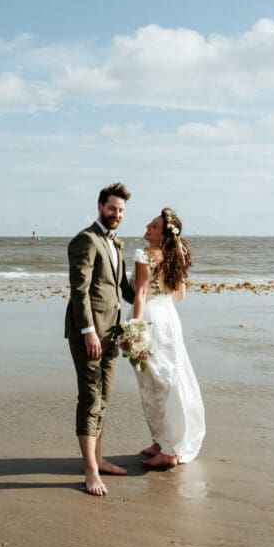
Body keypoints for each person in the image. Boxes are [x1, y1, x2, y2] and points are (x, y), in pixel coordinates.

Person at [65, 182, 135, 496]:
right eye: (112, 209)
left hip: (112, 333)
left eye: (120, 211)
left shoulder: (116, 244)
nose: (116, 215)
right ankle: (90, 471)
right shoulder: (86, 240)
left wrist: (158, 288)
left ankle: (98, 457)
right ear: (99, 207)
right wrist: (88, 331)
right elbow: (79, 291)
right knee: (90, 398)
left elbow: (125, 289)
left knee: (104, 398)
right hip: (90, 334)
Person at [130, 207, 205, 468]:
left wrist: (135, 328)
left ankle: (170, 450)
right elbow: (180, 295)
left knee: (155, 383)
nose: (148, 227)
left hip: (150, 318)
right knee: (167, 378)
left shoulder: (144, 255)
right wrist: (161, 299)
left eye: (154, 225)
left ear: (162, 235)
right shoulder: (176, 255)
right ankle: (162, 441)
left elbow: (140, 294)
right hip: (169, 319)